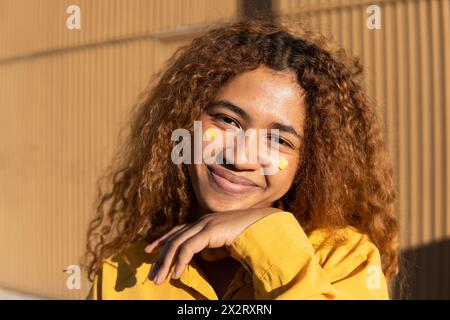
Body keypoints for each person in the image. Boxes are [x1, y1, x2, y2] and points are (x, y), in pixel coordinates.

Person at [84, 19, 399, 300]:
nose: (240, 157)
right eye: (227, 120)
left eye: (279, 140)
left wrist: (264, 236)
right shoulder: (122, 274)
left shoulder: (343, 259)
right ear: (185, 122)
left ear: (309, 164)